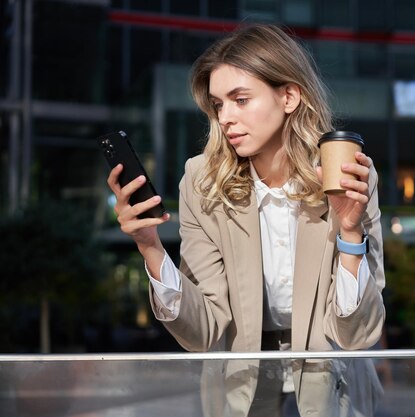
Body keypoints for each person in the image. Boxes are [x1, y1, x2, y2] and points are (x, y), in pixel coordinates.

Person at [107, 23, 385, 417]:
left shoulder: (345, 173)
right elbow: (202, 330)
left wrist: (350, 231)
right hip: (239, 375)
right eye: (219, 104)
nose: (226, 118)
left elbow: (357, 334)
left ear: (289, 96)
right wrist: (150, 246)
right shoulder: (202, 182)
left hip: (333, 372)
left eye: (240, 99)